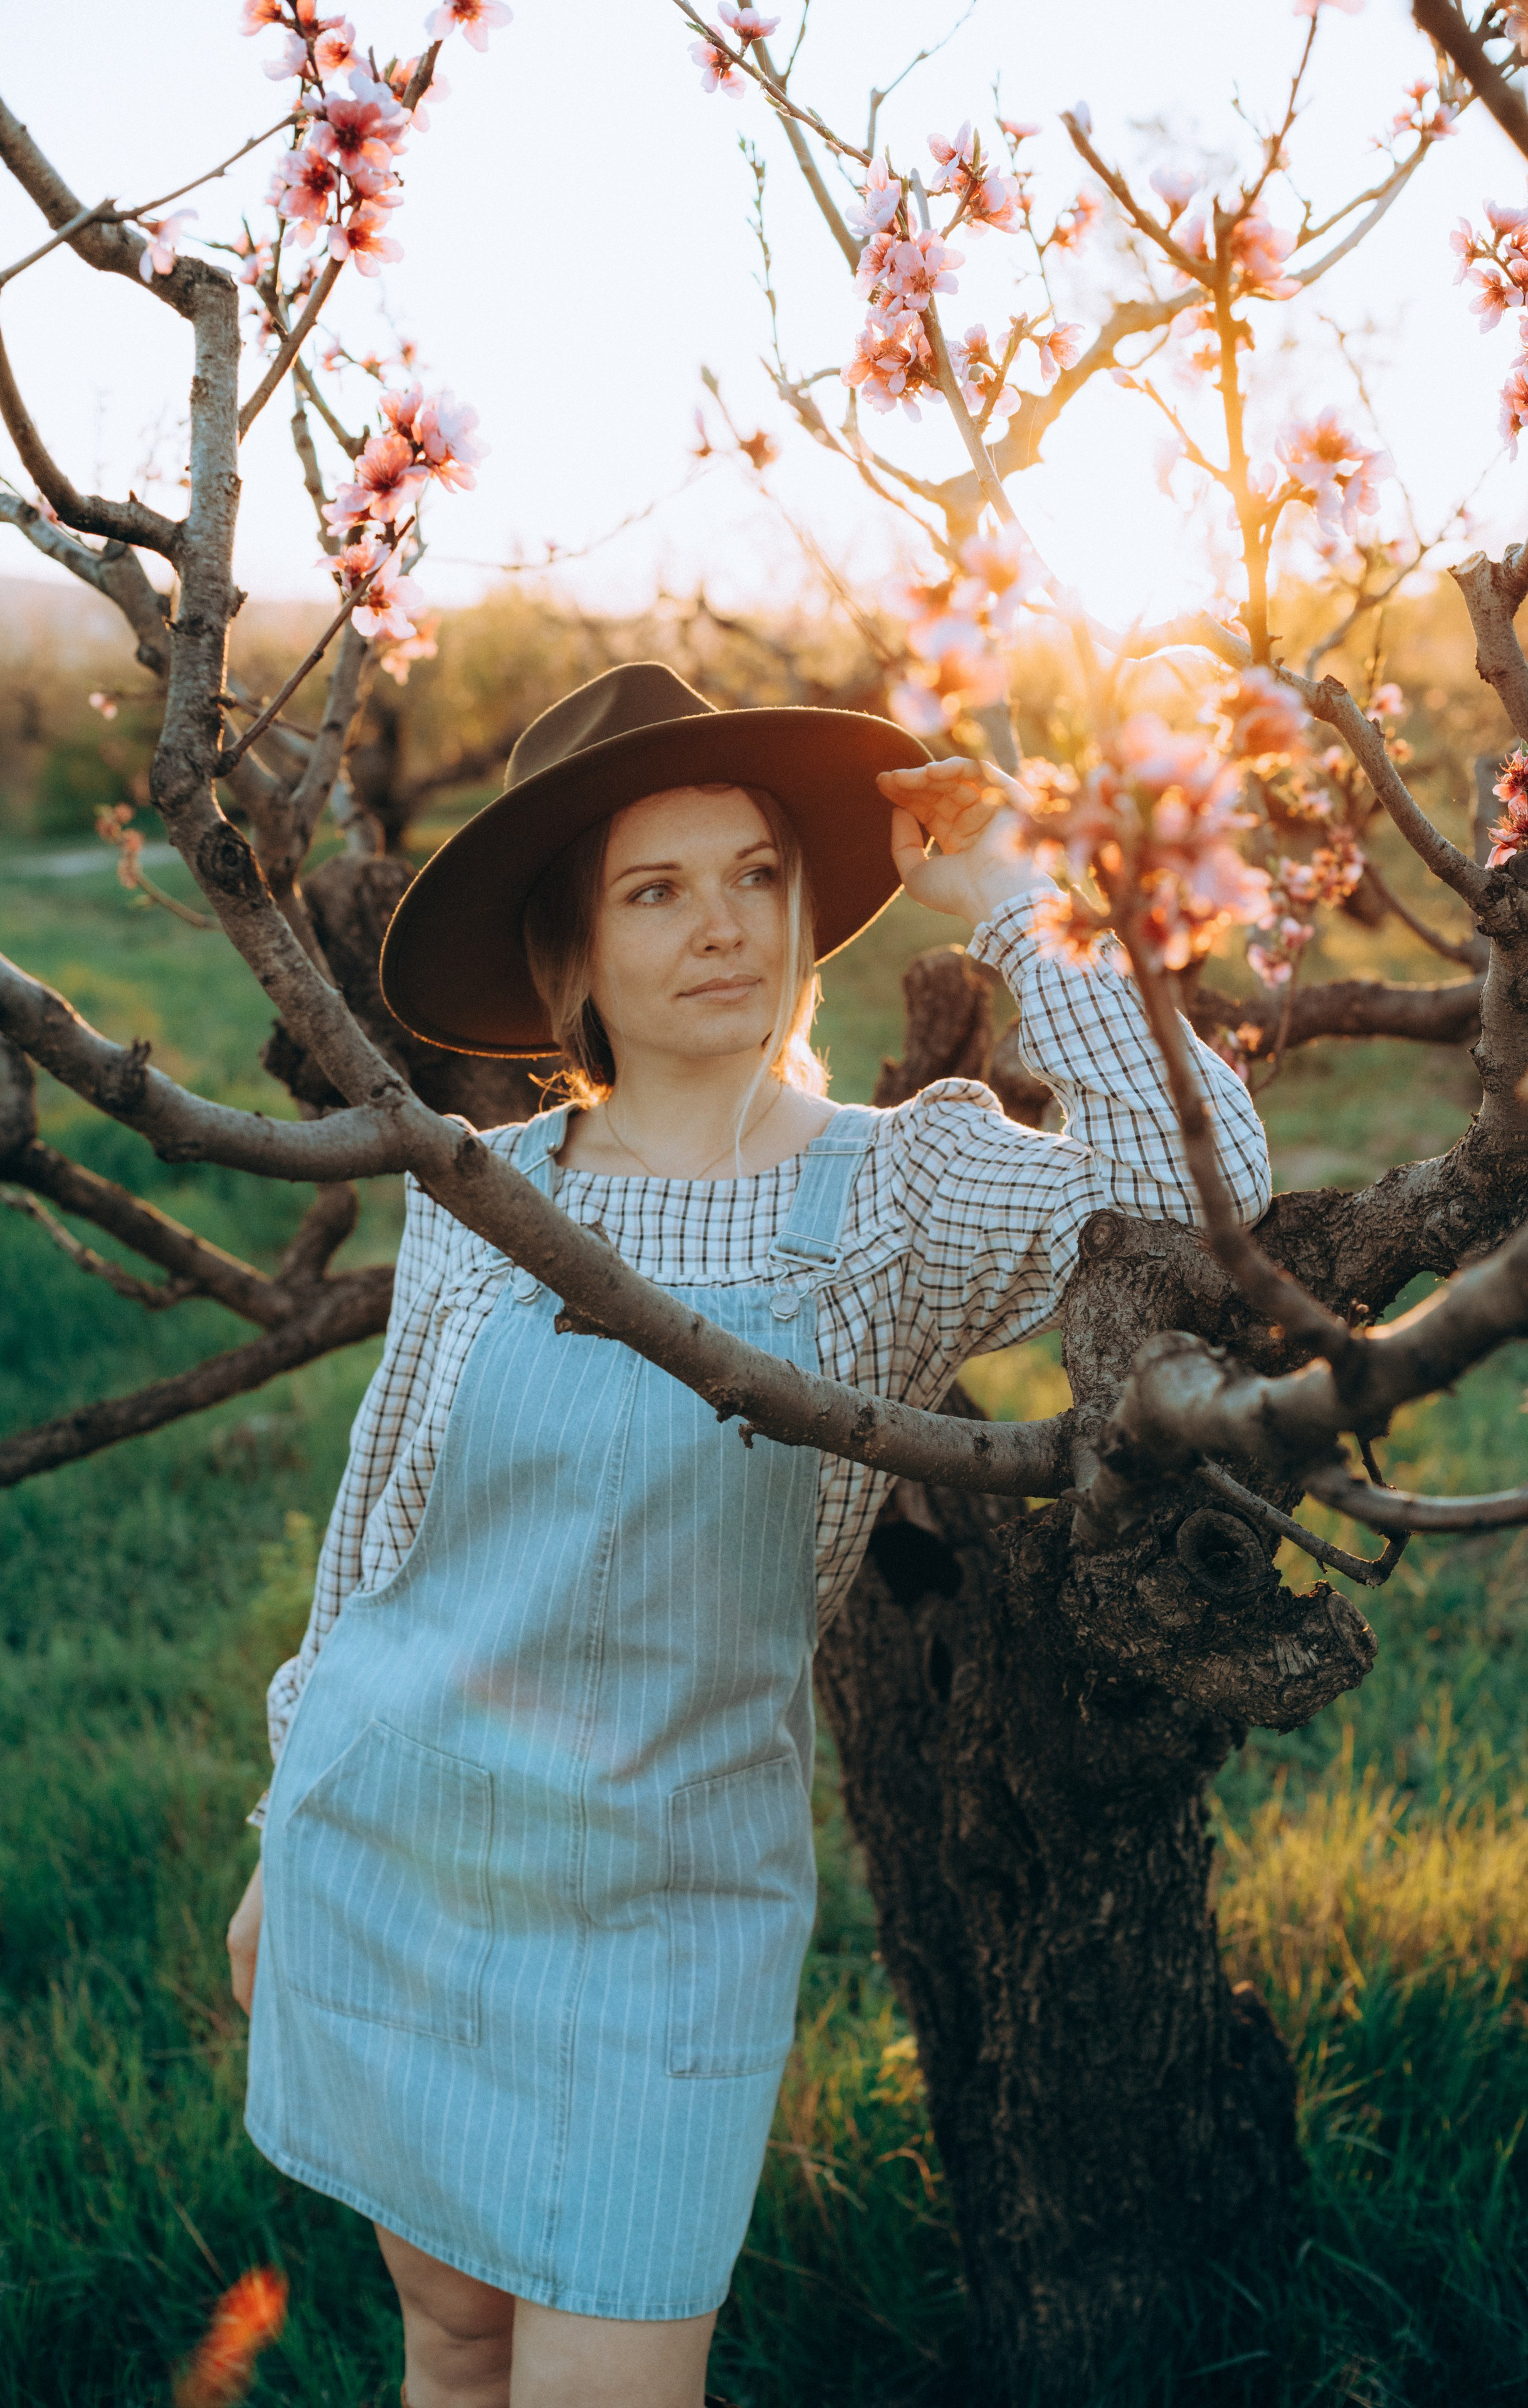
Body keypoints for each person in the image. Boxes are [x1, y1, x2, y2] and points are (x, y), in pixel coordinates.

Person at [226, 663, 1270, 2408]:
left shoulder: (896, 1193)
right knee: (454, 2343)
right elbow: (381, 1529)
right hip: (397, 1861)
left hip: (666, 1915)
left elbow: (1206, 1189)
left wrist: (1015, 899)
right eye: (656, 889)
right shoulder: (477, 1194)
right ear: (571, 956)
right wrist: (286, 1823)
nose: (723, 925)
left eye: (758, 874)